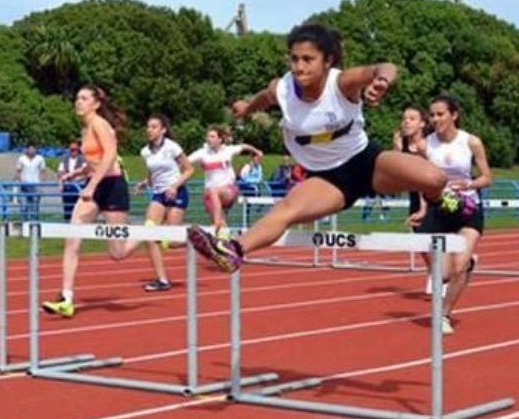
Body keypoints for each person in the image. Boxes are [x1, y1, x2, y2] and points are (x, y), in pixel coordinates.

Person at [186, 22, 447, 275]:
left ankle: (444, 205)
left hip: (366, 162)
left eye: (308, 59)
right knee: (287, 209)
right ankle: (232, 251)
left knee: (435, 178)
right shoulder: (283, 88)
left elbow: (385, 66)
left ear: (328, 60)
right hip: (326, 179)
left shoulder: (343, 83)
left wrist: (381, 82)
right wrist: (246, 109)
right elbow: (264, 98)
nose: (299, 67)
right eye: (294, 59)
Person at [42, 84, 136, 317]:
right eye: (77, 98)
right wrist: (78, 173)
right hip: (93, 187)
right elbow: (94, 161)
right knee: (72, 237)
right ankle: (66, 297)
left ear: (96, 103)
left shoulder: (99, 124)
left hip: (113, 186)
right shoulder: (85, 130)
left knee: (117, 253)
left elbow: (110, 155)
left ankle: (150, 232)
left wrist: (92, 184)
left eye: (84, 98)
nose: (78, 102)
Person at [410, 95, 493, 334]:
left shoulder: (471, 142)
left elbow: (487, 178)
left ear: (453, 115)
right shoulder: (426, 145)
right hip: (440, 208)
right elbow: (420, 179)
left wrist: (468, 185)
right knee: (444, 273)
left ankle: (443, 314)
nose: (435, 119)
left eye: (440, 114)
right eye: (432, 115)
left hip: (467, 208)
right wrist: (422, 208)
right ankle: (468, 265)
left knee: (458, 266)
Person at [135, 113, 194, 291]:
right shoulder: (145, 152)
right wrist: (146, 183)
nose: (149, 130)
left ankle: (198, 237)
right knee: (149, 234)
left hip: (176, 193)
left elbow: (189, 169)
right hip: (159, 194)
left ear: (163, 130)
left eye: (154, 127)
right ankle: (162, 280)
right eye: (148, 127)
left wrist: (174, 186)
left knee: (170, 240)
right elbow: (154, 174)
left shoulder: (172, 147)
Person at [393, 104, 440, 295]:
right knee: (420, 240)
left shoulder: (429, 145)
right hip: (415, 195)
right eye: (404, 118)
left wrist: (423, 209)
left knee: (436, 236)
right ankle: (435, 271)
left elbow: (426, 178)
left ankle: (444, 273)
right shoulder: (402, 144)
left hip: (435, 194)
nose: (406, 122)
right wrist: (396, 151)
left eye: (412, 118)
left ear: (422, 123)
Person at [187, 127, 263, 237]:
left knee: (214, 192)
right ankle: (228, 246)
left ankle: (217, 223)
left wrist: (257, 151)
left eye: (212, 137)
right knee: (221, 229)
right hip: (210, 196)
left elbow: (245, 146)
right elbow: (185, 161)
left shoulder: (228, 150)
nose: (209, 139)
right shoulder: (202, 153)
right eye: (207, 137)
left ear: (220, 139)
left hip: (228, 191)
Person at [14, 144, 47, 221]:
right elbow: (18, 171)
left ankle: (33, 221)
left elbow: (43, 172)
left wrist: (42, 185)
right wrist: (17, 183)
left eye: (34, 149)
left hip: (36, 184)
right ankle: (24, 220)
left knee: (35, 205)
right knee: (24, 204)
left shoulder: (40, 158)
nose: (32, 151)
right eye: (30, 149)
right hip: (24, 184)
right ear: (27, 149)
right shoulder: (21, 159)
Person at [57, 141, 88, 221]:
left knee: (78, 207)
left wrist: (79, 178)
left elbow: (86, 173)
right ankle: (67, 223)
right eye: (72, 149)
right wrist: (61, 182)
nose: (73, 151)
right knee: (67, 207)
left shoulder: (83, 159)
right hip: (67, 186)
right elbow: (60, 172)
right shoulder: (64, 159)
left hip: (79, 187)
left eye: (75, 149)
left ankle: (78, 224)